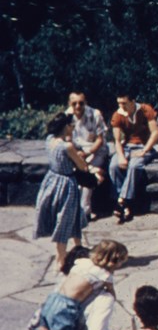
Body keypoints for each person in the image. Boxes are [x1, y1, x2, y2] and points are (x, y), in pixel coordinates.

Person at [28, 240, 128, 330]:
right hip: (65, 308)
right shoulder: (105, 275)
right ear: (114, 261)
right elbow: (111, 294)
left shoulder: (82, 263)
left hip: (52, 300)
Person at [34, 113, 94, 271]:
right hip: (67, 184)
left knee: (75, 215)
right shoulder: (67, 146)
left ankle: (79, 247)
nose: (73, 128)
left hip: (52, 180)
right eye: (71, 125)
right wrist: (80, 157)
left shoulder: (49, 140)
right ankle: (61, 259)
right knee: (65, 219)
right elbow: (82, 166)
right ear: (66, 127)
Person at [109, 91, 158, 224]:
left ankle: (122, 201)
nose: (121, 106)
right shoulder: (118, 115)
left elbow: (155, 133)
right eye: (119, 103)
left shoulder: (144, 110)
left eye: (124, 103)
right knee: (114, 165)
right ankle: (125, 204)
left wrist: (144, 150)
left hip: (143, 146)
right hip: (126, 146)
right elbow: (117, 140)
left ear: (132, 102)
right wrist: (120, 156)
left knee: (134, 166)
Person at [68, 91, 108, 221]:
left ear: (86, 103)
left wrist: (86, 154)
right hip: (77, 151)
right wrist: (76, 155)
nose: (78, 106)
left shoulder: (95, 114)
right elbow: (67, 139)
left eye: (81, 103)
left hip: (95, 151)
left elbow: (100, 140)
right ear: (70, 103)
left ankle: (84, 211)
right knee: (79, 174)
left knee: (86, 174)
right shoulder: (67, 116)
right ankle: (97, 173)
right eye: (74, 103)